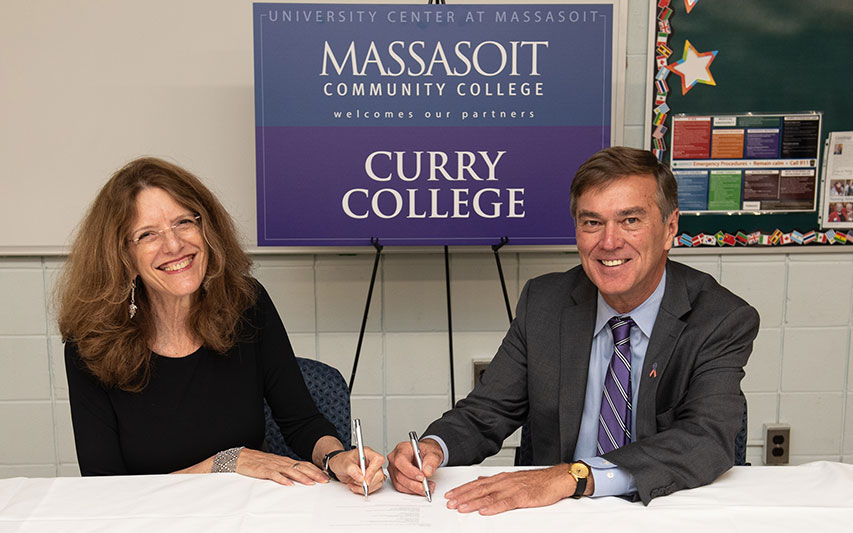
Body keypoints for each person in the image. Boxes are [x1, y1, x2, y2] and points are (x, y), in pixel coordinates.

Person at [388, 146, 759, 513]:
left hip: (663, 508)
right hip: (557, 515)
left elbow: (705, 439)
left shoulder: (720, 318)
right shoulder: (545, 302)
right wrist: (434, 447)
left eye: (630, 220)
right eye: (592, 222)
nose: (609, 242)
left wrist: (575, 476)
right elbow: (487, 411)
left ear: (669, 228)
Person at [58, 157, 385, 493]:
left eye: (184, 222)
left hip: (242, 513)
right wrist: (225, 463)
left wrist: (338, 457)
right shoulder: (91, 344)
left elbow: (301, 421)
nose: (173, 245)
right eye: (147, 234)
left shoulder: (245, 302)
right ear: (123, 257)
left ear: (207, 228)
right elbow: (103, 490)